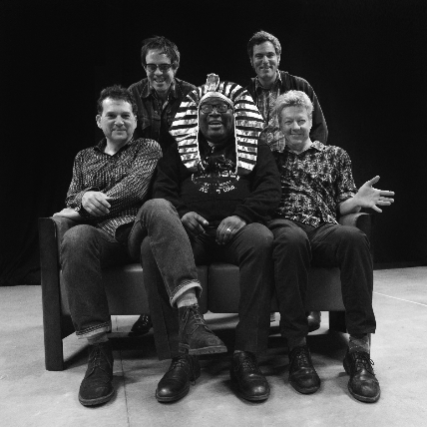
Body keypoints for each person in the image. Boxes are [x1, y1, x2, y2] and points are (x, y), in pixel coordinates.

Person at [133, 74, 281, 403]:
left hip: (239, 231)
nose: (214, 113)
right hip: (191, 233)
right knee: (149, 246)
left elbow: (271, 189)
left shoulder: (255, 146)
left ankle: (246, 353)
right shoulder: (178, 149)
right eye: (207, 108)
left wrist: (242, 215)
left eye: (222, 108)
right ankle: (181, 355)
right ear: (196, 115)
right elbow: (162, 190)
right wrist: (182, 212)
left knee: (261, 238)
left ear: (235, 114)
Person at [269, 90, 394, 403]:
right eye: (288, 122)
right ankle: (297, 349)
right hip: (287, 228)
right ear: (279, 125)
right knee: (292, 240)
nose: (295, 127)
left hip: (324, 227)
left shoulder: (335, 156)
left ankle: (359, 351)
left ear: (310, 121)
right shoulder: (271, 157)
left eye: (301, 120)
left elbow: (341, 204)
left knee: (354, 239)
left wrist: (357, 200)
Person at [54, 85, 162, 406]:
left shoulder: (147, 148)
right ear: (99, 120)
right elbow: (71, 196)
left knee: (88, 226)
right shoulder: (84, 157)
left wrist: (85, 206)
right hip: (99, 238)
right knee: (75, 237)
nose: (119, 121)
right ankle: (99, 349)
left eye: (125, 115)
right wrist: (82, 197)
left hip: (134, 232)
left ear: (136, 120)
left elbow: (134, 189)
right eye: (111, 115)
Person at [246, 30, 328, 331]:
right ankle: (269, 305)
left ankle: (311, 307)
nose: (265, 60)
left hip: (297, 164)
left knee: (305, 228)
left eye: (270, 54)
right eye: (259, 56)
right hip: (261, 172)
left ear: (278, 57)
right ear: (251, 61)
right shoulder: (244, 93)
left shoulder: (299, 86)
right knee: (269, 234)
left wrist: (307, 164)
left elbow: (318, 128)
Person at [128, 35, 196, 337]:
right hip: (143, 180)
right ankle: (150, 311)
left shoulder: (192, 95)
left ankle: (187, 309)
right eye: (151, 66)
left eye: (164, 67)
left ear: (175, 66)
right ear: (144, 66)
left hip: (182, 178)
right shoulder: (132, 94)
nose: (157, 73)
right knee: (150, 243)